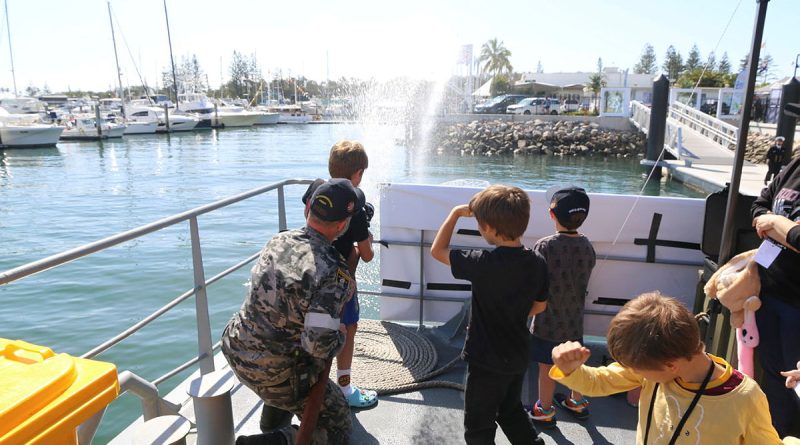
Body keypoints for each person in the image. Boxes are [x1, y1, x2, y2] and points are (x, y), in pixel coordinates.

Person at [221, 178, 364, 445]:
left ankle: (270, 424)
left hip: (235, 348)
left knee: (287, 355)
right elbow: (318, 346)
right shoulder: (333, 270)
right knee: (338, 425)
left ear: (308, 208)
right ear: (343, 225)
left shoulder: (279, 239)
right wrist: (340, 335)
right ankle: (276, 440)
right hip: (274, 371)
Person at [550, 292, 797, 444]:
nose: (635, 373)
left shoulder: (745, 398)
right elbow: (599, 382)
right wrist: (571, 369)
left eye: (637, 369)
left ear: (670, 365)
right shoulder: (656, 369)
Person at [431, 184, 549, 445]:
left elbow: (437, 251)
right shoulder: (538, 262)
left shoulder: (482, 263)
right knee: (510, 411)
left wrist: (454, 214)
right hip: (518, 354)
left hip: (485, 361)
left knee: (478, 426)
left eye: (481, 224)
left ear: (490, 229)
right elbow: (540, 307)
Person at [301, 140, 378, 408]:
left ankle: (314, 384)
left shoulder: (316, 187)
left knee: (315, 328)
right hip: (339, 283)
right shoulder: (353, 205)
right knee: (347, 330)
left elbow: (308, 219)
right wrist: (367, 234)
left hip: (312, 272)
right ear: (358, 173)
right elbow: (366, 255)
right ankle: (345, 389)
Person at [527, 186, 595, 429]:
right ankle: (576, 401)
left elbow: (534, 280)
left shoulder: (544, 246)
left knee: (547, 367)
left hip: (547, 322)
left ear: (552, 215)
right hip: (574, 320)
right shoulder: (588, 246)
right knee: (575, 362)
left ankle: (544, 410)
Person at [751, 150, 800, 438]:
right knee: (773, 374)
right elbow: (759, 206)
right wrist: (773, 223)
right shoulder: (794, 165)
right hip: (770, 293)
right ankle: (773, 436)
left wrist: (776, 226)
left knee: (795, 379)